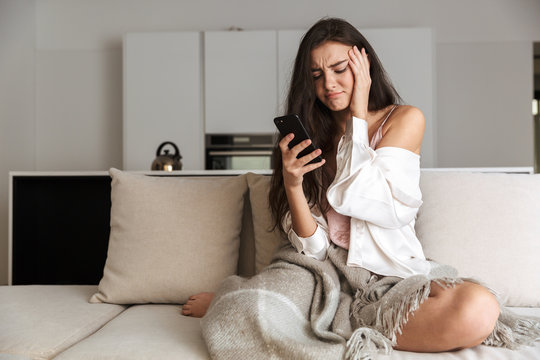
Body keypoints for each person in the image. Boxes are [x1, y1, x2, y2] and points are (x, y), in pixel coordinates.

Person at [183, 18, 530, 355]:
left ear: (364, 68)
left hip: (388, 276)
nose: (328, 84)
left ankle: (338, 321)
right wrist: (291, 184)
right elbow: (315, 250)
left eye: (339, 69)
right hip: (322, 274)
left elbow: (360, 197)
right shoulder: (312, 137)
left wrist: (358, 115)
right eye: (316, 75)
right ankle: (276, 305)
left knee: (478, 309)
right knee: (242, 312)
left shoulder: (405, 120)